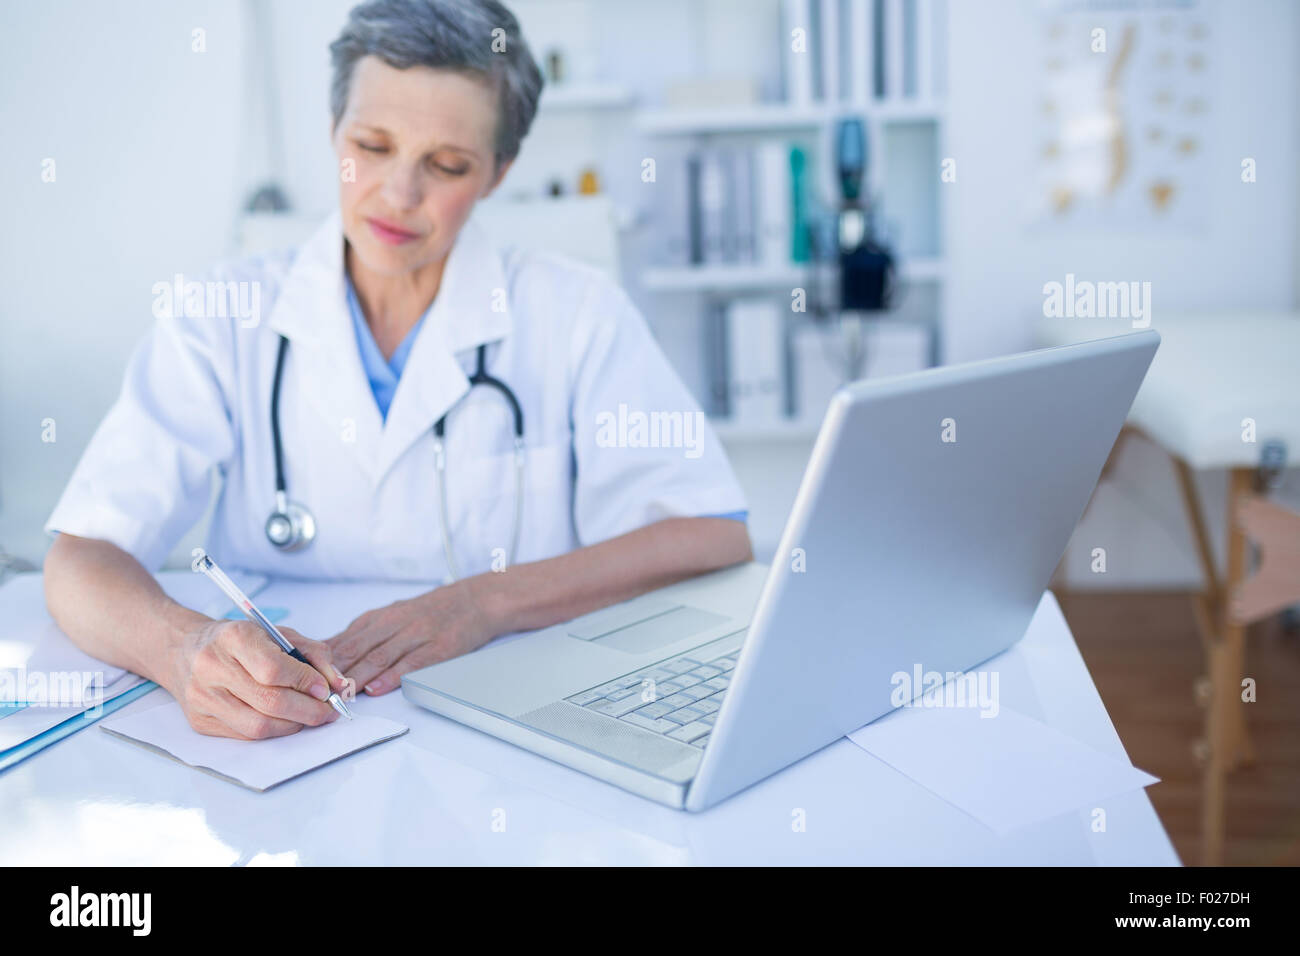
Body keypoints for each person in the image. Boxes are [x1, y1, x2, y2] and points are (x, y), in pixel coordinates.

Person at [42, 0, 750, 740]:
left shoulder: (575, 313)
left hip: (507, 733)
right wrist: (181, 648)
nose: (399, 194)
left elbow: (709, 533)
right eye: (372, 145)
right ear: (332, 131)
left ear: (499, 172)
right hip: (287, 743)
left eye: (446, 165)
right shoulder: (222, 314)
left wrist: (485, 602)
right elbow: (80, 558)